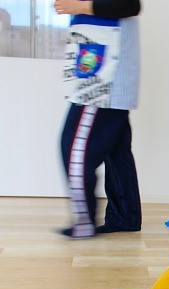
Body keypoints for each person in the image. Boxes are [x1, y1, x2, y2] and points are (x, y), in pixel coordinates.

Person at [54, 0, 142, 238]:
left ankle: (84, 221)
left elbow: (129, 5)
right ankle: (125, 217)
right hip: (107, 78)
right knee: (117, 153)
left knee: (74, 150)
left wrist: (79, 6)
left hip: (103, 82)